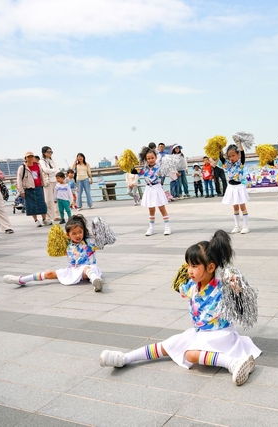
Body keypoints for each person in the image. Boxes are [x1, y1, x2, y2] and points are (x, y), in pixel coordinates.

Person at [98, 230, 261, 386]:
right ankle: (125, 358)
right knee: (168, 345)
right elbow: (179, 285)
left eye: (195, 266)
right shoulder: (192, 286)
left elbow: (241, 305)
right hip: (200, 333)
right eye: (188, 265)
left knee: (190, 354)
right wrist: (191, 268)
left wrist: (237, 289)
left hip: (220, 334)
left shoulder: (221, 288)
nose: (189, 270)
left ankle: (233, 363)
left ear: (211, 268)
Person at [3, 214, 103, 292]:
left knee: (86, 268)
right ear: (68, 235)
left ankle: (95, 280)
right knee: (49, 273)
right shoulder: (67, 244)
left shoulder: (89, 241)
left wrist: (98, 225)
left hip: (90, 269)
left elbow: (102, 238)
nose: (78, 235)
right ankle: (21, 280)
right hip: (73, 270)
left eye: (80, 232)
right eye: (74, 233)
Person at [136, 147, 171, 236]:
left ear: (156, 157)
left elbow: (166, 172)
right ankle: (151, 228)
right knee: (151, 209)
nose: (150, 160)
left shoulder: (159, 167)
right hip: (149, 189)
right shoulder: (144, 168)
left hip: (157, 188)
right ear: (146, 159)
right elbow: (137, 174)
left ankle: (167, 227)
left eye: (152, 158)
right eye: (148, 158)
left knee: (162, 208)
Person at [220, 144, 249, 234]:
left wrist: (240, 146)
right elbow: (221, 158)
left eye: (233, 155)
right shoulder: (228, 164)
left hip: (239, 187)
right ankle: (237, 226)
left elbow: (243, 156)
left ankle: (246, 226)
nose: (231, 158)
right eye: (229, 156)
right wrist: (219, 148)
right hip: (231, 187)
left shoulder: (240, 163)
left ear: (238, 155)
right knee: (235, 207)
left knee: (242, 206)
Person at [16, 151, 50, 227]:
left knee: (42, 204)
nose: (30, 158)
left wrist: (43, 183)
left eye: (32, 156)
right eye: (28, 157)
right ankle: (36, 220)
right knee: (31, 205)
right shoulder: (22, 167)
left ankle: (44, 219)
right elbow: (19, 180)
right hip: (28, 188)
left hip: (38, 187)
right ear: (25, 158)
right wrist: (21, 191)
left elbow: (40, 175)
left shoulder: (37, 165)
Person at [39, 146, 59, 222]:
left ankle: (57, 215)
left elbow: (57, 170)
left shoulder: (52, 161)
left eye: (51, 152)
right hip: (48, 181)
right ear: (44, 152)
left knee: (56, 199)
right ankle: (48, 217)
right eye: (48, 152)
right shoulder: (42, 161)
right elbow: (45, 170)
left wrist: (53, 171)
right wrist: (53, 170)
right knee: (48, 200)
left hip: (55, 180)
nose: (50, 153)